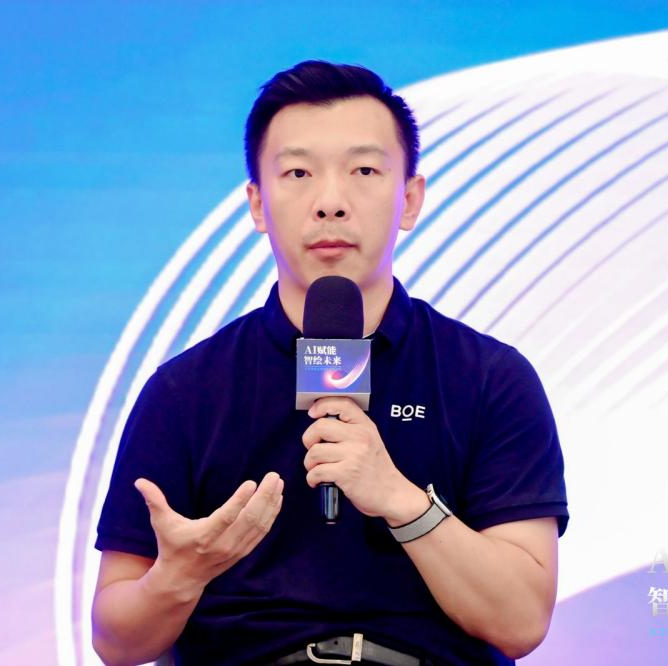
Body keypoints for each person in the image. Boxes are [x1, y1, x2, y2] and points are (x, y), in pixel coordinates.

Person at [91, 60, 569, 666]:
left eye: (364, 170)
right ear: (257, 204)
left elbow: (521, 622)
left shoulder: (490, 379)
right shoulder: (185, 391)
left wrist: (401, 500)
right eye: (298, 173)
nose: (330, 203)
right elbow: (115, 642)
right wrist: (179, 576)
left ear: (410, 199)